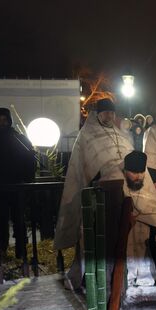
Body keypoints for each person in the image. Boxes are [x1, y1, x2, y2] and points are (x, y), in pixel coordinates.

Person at [54, 98, 133, 287]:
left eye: (112, 113)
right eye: (105, 112)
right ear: (97, 114)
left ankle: (117, 274)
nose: (109, 116)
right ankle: (79, 276)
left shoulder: (121, 135)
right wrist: (102, 172)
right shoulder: (87, 135)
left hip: (123, 194)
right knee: (91, 237)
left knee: (119, 236)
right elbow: (83, 166)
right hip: (98, 195)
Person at [0, 108, 36, 259]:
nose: (2, 123)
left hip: (17, 186)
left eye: (4, 120)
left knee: (19, 219)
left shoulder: (18, 138)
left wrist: (27, 178)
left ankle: (21, 251)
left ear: (9, 121)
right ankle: (1, 250)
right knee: (1, 220)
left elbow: (30, 158)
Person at [122, 151, 156, 287]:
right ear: (125, 171)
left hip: (143, 229)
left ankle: (144, 275)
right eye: (134, 173)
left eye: (141, 173)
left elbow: (152, 208)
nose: (138, 177)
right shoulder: (118, 182)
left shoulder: (146, 184)